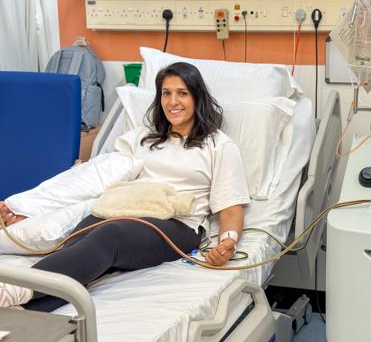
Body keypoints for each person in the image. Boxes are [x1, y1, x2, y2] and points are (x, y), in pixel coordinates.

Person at [0, 62, 250, 311]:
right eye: (166, 93)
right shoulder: (141, 137)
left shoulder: (218, 146)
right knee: (76, 249)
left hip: (177, 224)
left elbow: (230, 208)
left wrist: (228, 242)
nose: (173, 101)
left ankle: (11, 290)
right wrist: (29, 210)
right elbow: (94, 180)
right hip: (122, 210)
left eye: (182, 93)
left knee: (109, 236)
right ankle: (23, 314)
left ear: (197, 97)